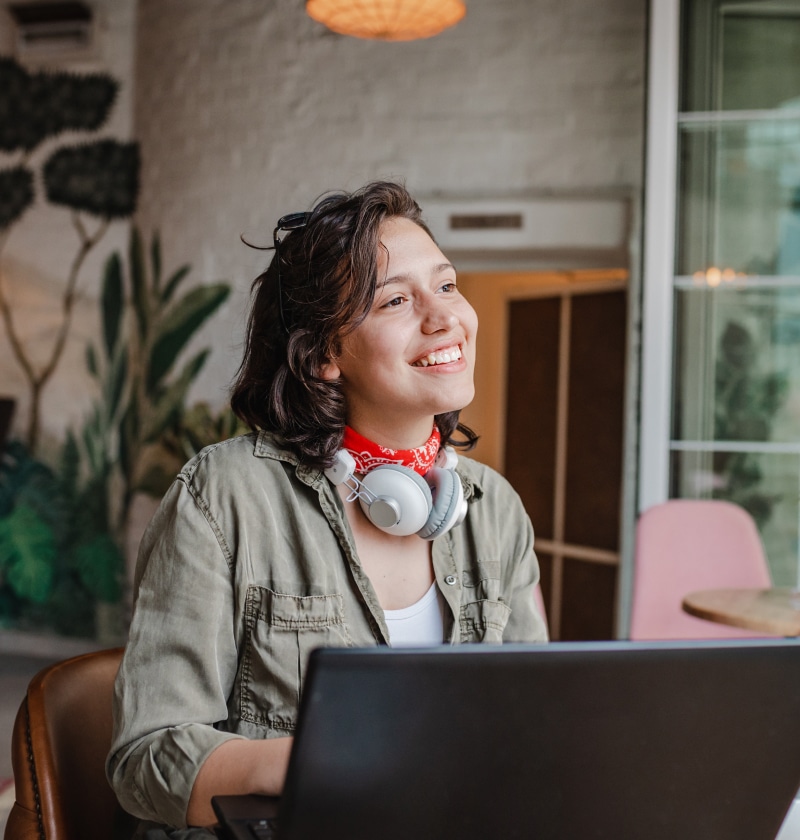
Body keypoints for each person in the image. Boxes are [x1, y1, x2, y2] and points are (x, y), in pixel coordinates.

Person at [107, 181, 548, 837]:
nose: (445, 316)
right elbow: (145, 761)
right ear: (323, 356)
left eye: (448, 286)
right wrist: (315, 762)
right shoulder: (223, 495)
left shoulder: (494, 509)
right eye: (397, 299)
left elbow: (537, 726)